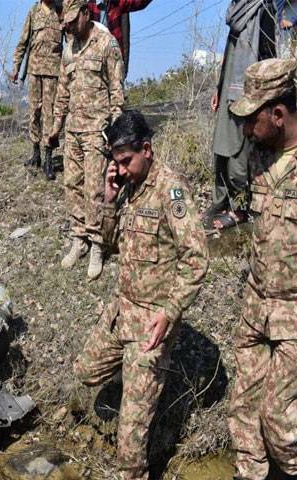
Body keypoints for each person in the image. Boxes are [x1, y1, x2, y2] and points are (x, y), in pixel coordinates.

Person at [74, 110, 209, 479]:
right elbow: (107, 243)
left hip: (151, 323)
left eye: (125, 161)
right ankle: (136, 385)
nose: (121, 169)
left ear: (146, 149)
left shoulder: (172, 190)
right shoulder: (129, 188)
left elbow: (197, 259)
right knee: (85, 371)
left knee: (129, 447)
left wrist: (170, 311)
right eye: (115, 163)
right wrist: (108, 197)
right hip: (122, 311)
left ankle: (141, 423)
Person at [227, 57, 297, 480]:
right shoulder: (258, 157)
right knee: (243, 413)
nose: (246, 129)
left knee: (280, 424)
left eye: (253, 120)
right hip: (256, 306)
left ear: (279, 114)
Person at [48, 0, 125, 280]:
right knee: (72, 185)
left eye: (72, 20)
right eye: (64, 22)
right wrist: (56, 126)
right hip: (73, 131)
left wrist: (114, 132)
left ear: (85, 13)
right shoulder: (70, 47)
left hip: (96, 131)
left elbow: (117, 90)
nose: (67, 26)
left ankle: (96, 244)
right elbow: (62, 91)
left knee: (93, 189)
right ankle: (78, 238)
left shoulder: (106, 44)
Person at [205, 0, 276, 230]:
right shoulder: (236, 12)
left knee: (239, 151)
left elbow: (268, 58)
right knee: (222, 146)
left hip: (247, 93)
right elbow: (229, 49)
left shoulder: (262, 9)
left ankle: (239, 208)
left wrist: (259, 100)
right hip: (229, 87)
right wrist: (219, 87)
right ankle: (220, 202)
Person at [12, 0, 64, 180]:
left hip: (53, 72)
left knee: (50, 114)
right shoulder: (33, 11)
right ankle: (36, 152)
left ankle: (48, 156)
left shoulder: (61, 11)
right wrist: (16, 67)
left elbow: (71, 40)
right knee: (34, 111)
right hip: (34, 71)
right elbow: (23, 41)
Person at [98, 0, 153, 79]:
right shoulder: (87, 6)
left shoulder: (117, 3)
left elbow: (139, 2)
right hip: (90, 67)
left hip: (114, 65)